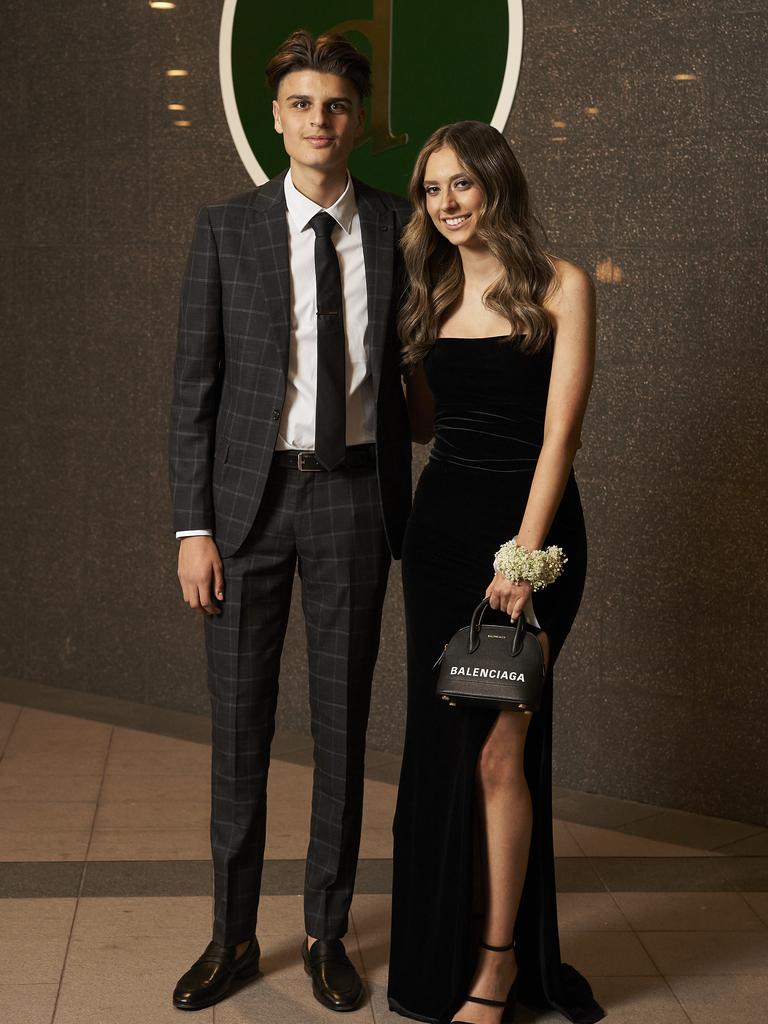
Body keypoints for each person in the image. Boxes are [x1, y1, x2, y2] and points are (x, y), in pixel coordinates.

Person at [168, 30, 411, 1013]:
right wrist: (192, 526)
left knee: (345, 729)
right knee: (238, 732)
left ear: (359, 119)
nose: (320, 120)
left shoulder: (401, 226)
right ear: (277, 117)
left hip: (355, 497)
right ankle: (231, 935)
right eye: (303, 104)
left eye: (339, 105)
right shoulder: (225, 229)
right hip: (245, 510)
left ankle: (325, 929)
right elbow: (193, 386)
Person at [387, 121, 605, 1024]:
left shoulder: (561, 286)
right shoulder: (427, 295)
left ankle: (499, 963)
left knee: (499, 753)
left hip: (534, 540)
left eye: (462, 185)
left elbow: (561, 436)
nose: (446, 203)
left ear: (497, 186)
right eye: (433, 189)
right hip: (439, 542)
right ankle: (444, 950)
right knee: (446, 753)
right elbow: (434, 429)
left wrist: (520, 560)